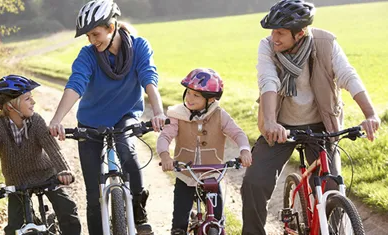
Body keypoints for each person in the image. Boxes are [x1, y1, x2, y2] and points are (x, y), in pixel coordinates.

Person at [240, 0, 381, 234]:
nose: (274, 37)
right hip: (280, 126)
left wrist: (370, 114)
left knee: (331, 187)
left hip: (321, 125)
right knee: (254, 182)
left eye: (281, 32)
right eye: (273, 31)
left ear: (301, 33)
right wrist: (271, 122)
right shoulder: (267, 47)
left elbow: (348, 76)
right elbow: (268, 81)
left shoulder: (326, 43)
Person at [48, 0, 167, 234]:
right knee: (93, 193)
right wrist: (57, 118)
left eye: (95, 34)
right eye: (88, 37)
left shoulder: (140, 47)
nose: (92, 41)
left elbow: (149, 79)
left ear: (111, 28)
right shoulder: (88, 55)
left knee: (127, 150)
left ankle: (138, 209)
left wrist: (159, 112)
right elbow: (76, 84)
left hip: (125, 116)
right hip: (91, 121)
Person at [0, 75, 81, 235]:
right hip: (17, 183)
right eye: (28, 99)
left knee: (68, 211)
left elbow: (53, 149)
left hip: (46, 176)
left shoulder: (36, 121)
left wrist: (64, 171)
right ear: (11, 106)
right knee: (14, 229)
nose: (33, 102)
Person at [157, 68, 252, 235]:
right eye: (189, 93)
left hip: (211, 175)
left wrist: (244, 150)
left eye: (196, 95)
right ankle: (179, 229)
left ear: (211, 99)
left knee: (217, 219)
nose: (189, 98)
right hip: (186, 174)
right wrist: (165, 156)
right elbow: (165, 136)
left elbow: (238, 134)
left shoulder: (220, 115)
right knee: (180, 220)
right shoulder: (178, 115)